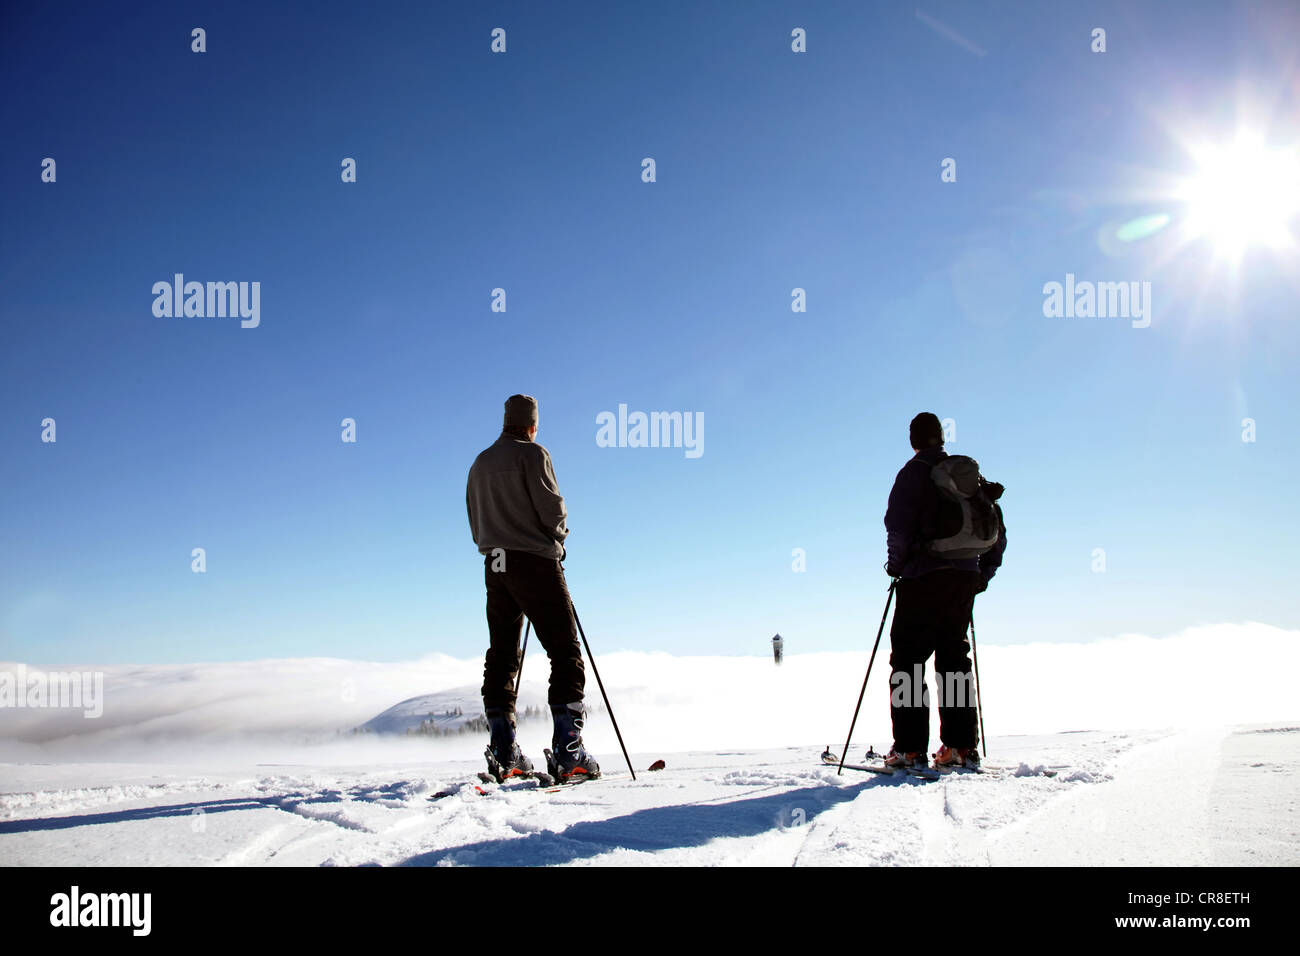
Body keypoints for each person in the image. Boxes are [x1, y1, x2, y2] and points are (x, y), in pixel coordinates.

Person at [466, 394, 600, 782]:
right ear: (532, 424)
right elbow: (552, 510)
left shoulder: (480, 463)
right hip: (534, 561)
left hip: (495, 562)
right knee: (563, 648)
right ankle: (568, 750)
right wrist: (557, 540)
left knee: (503, 653)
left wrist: (495, 543)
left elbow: (475, 520)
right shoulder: (533, 454)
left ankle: (504, 749)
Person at [882, 412, 1006, 770]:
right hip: (963, 579)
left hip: (922, 578)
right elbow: (996, 529)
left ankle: (908, 749)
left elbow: (898, 526)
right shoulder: (966, 475)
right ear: (942, 437)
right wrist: (982, 574)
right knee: (954, 662)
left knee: (907, 663)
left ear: (913, 439)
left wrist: (897, 567)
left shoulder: (914, 473)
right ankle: (959, 747)